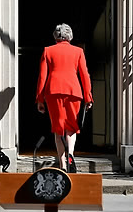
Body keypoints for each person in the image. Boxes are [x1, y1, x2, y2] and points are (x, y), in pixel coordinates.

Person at [35, 23, 93, 172]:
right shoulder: (78, 51)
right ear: (70, 36)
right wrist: (88, 97)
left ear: (56, 36)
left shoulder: (48, 51)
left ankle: (62, 162)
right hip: (73, 91)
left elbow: (42, 76)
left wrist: (40, 99)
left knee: (58, 129)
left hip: (53, 92)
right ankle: (71, 154)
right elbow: (84, 75)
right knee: (71, 127)